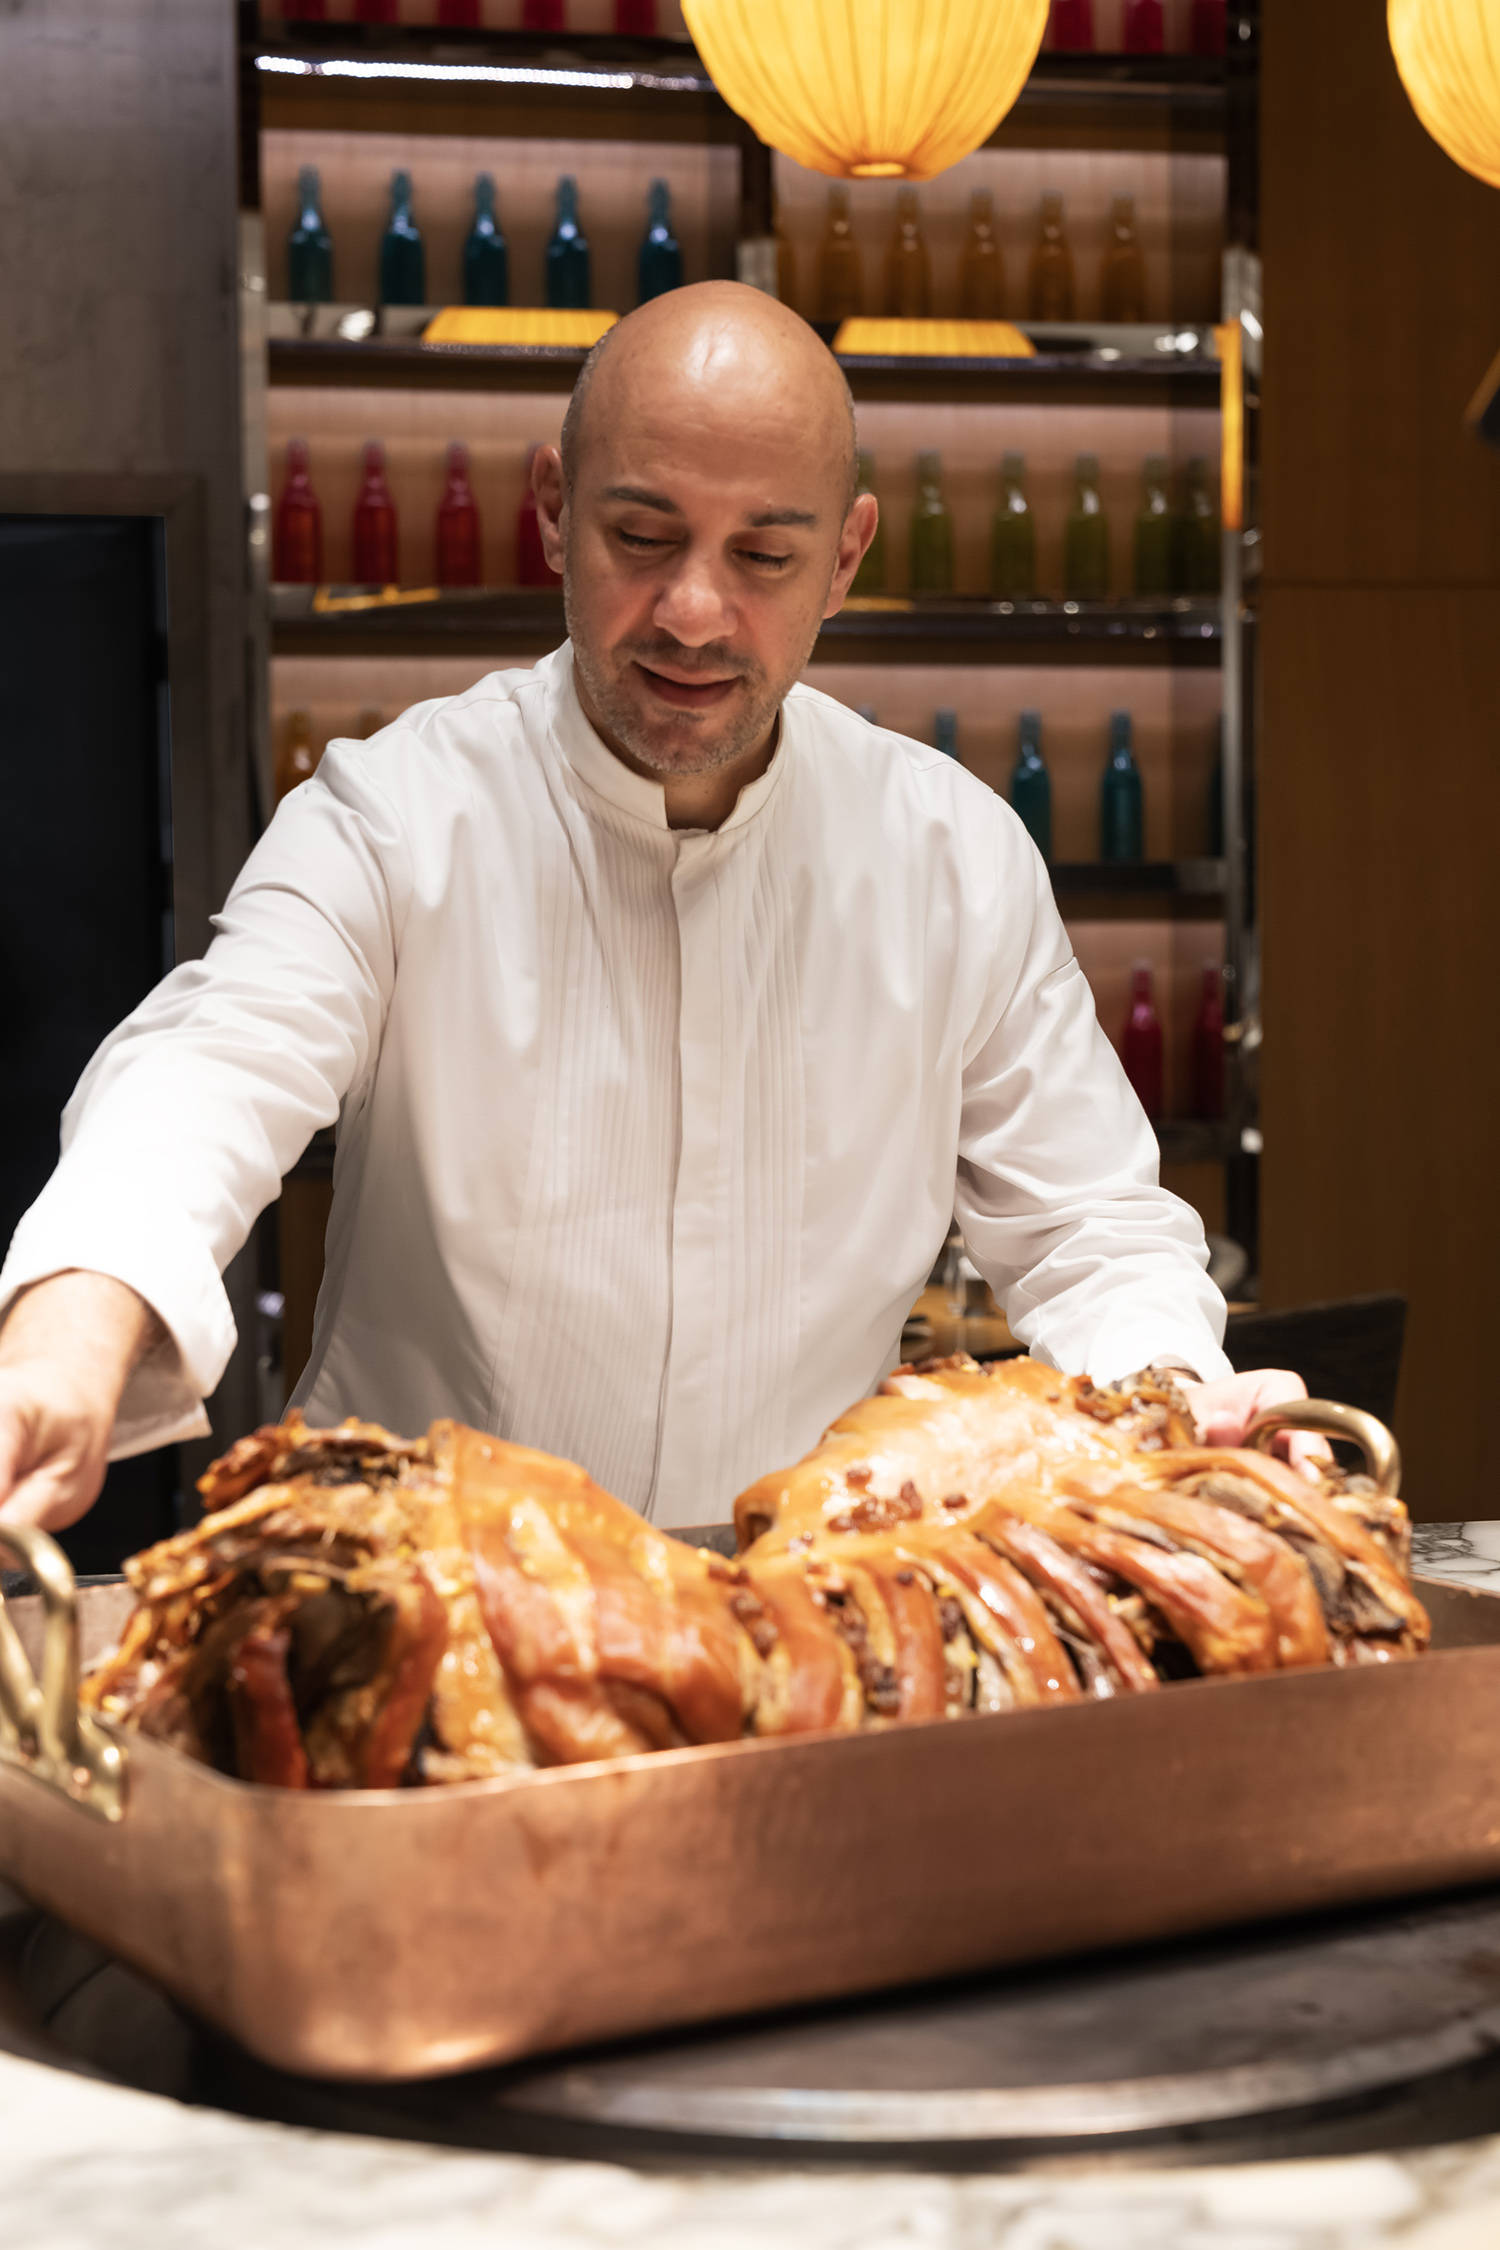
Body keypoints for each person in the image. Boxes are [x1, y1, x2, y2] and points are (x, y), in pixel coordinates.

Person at [0, 283, 1311, 1537]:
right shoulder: (397, 815)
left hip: (790, 1610)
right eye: (642, 536)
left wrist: (1180, 1400)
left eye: (763, 553)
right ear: (555, 513)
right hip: (414, 1606)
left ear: (845, 558)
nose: (694, 610)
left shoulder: (949, 854)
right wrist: (79, 1304)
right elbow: (216, 1059)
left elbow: (1088, 1227)